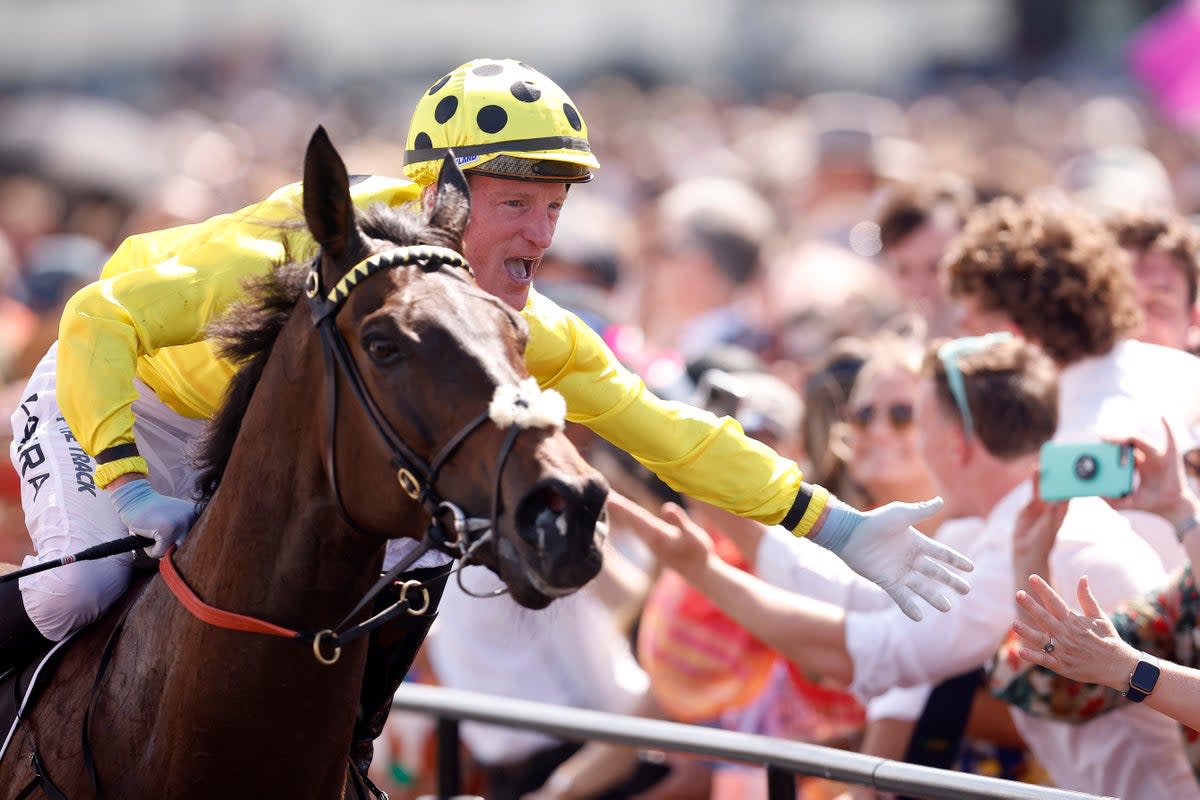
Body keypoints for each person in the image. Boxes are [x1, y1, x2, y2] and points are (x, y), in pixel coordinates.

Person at [0, 57, 973, 771]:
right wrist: (127, 482)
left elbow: (663, 428)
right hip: (119, 395)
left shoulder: (520, 327)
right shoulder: (305, 249)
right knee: (71, 596)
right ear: (445, 194)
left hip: (259, 444)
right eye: (518, 204)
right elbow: (98, 317)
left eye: (555, 207)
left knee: (417, 548)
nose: (543, 234)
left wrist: (832, 521)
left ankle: (343, 756)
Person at [610, 332, 1194, 798]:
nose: (890, 436)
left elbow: (863, 651)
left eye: (914, 417)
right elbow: (849, 597)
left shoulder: (1051, 532)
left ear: (959, 442)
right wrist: (708, 545)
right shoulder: (1001, 523)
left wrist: (708, 542)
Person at [993, 418, 1200, 774]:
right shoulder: (1185, 596)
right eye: (1196, 463)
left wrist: (1132, 670)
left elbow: (1119, 665)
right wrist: (1031, 563)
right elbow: (1056, 690)